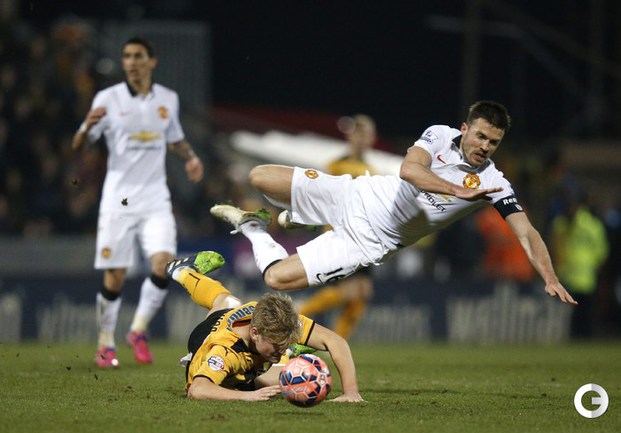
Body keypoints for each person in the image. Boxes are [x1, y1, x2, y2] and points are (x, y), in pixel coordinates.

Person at [210, 101, 577, 307]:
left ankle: (254, 227)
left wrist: (549, 277)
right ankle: (293, 217)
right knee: (260, 176)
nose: (485, 146)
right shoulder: (439, 135)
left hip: (368, 241)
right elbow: (409, 170)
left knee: (276, 278)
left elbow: (526, 232)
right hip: (357, 193)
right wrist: (458, 190)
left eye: (493, 142)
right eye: (481, 136)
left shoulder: (495, 183)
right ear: (465, 128)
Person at [71, 36, 204, 368]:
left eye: (138, 56)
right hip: (119, 199)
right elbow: (79, 146)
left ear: (151, 62)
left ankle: (138, 330)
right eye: (127, 56)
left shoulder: (168, 99)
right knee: (115, 276)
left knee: (164, 265)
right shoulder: (108, 98)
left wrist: (191, 158)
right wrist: (86, 126)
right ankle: (105, 342)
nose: (131, 62)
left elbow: (175, 139)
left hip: (155, 197)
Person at [164, 251, 363, 402]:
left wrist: (351, 392)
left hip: (234, 318)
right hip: (210, 346)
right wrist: (248, 397)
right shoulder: (226, 351)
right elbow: (197, 389)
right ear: (255, 333)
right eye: (278, 344)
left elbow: (336, 341)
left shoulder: (278, 320)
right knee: (275, 380)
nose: (280, 348)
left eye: (284, 344)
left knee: (228, 301)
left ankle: (182, 271)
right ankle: (183, 271)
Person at [298, 114, 377, 339]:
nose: (362, 139)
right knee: (353, 291)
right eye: (358, 134)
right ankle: (300, 312)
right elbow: (322, 197)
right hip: (341, 235)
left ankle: (338, 341)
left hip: (363, 236)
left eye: (366, 135)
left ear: (372, 139)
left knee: (362, 293)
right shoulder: (336, 166)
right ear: (350, 137)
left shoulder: (371, 169)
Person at [551, 186, 608, 338]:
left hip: (584, 277)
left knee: (583, 312)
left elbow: (601, 252)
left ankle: (584, 337)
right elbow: (556, 248)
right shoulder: (562, 224)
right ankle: (575, 337)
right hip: (568, 276)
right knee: (571, 315)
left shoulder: (589, 225)